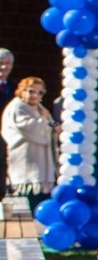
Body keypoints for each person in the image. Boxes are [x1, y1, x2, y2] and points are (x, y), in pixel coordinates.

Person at [3, 75, 56, 210]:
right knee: (30, 198)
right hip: (26, 161)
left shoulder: (39, 108)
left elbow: (50, 124)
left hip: (41, 163)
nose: (35, 95)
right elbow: (29, 128)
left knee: (42, 200)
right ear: (22, 91)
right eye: (31, 91)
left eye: (40, 92)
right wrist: (45, 122)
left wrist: (54, 127)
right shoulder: (17, 107)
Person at [0, 48, 15, 199]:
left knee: (4, 164)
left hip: (8, 133)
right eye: (1, 63)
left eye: (7, 63)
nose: (4, 67)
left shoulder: (15, 86)